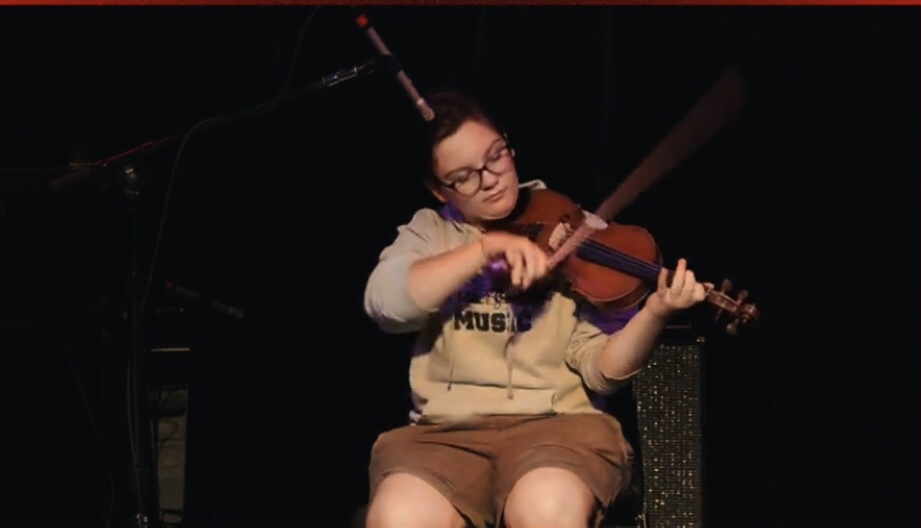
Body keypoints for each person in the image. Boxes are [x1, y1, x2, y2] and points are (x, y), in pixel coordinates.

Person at [361, 91, 708, 528]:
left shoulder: (570, 227)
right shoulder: (431, 234)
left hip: (558, 431)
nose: (490, 179)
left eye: (496, 157)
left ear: (509, 146)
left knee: (545, 510)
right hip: (443, 439)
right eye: (464, 176)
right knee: (398, 518)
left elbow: (603, 370)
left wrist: (655, 312)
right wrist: (485, 248)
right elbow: (385, 305)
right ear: (439, 189)